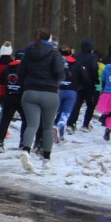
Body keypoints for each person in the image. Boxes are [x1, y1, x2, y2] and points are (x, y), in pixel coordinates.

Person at [17, 29, 64, 171]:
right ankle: (46, 160)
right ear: (49, 39)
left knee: (32, 125)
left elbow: (20, 73)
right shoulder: (54, 53)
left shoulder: (27, 53)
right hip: (50, 93)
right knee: (48, 127)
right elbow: (60, 73)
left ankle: (26, 150)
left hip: (30, 92)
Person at [0, 50, 26, 153]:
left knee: (5, 120)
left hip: (9, 97)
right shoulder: (25, 69)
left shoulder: (7, 68)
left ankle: (0, 142)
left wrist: (3, 97)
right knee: (26, 120)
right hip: (21, 98)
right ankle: (23, 142)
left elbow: (2, 84)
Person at [66, 38, 99, 132]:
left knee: (77, 104)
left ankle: (71, 123)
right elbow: (93, 68)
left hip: (77, 83)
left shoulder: (76, 56)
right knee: (90, 104)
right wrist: (96, 79)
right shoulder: (93, 57)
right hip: (90, 84)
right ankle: (85, 124)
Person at [55, 45, 83, 143]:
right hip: (71, 91)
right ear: (70, 52)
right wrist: (79, 86)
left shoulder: (56, 63)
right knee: (66, 113)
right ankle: (58, 128)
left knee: (58, 112)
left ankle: (60, 135)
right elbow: (84, 76)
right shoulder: (76, 63)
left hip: (57, 90)